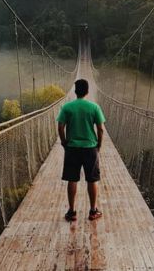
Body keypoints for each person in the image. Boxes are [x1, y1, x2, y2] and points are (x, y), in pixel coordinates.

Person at [56, 79, 106, 222]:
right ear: (87, 91)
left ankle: (72, 212)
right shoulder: (94, 107)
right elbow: (101, 129)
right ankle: (93, 211)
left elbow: (60, 127)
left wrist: (64, 141)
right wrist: (99, 145)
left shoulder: (67, 107)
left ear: (75, 91)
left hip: (72, 148)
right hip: (90, 148)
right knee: (92, 179)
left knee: (72, 179)